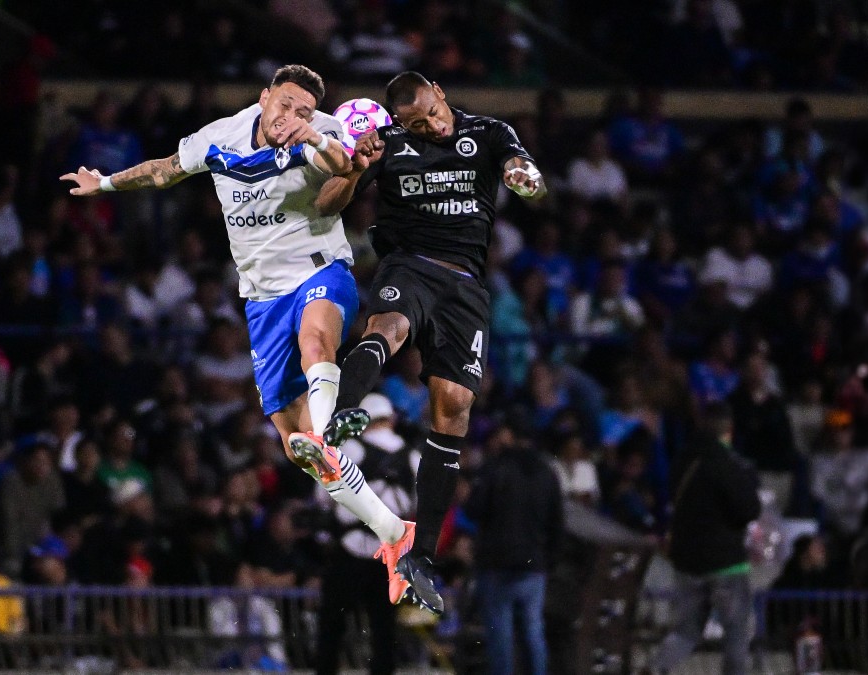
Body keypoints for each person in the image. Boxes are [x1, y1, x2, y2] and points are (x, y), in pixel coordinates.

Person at [61, 65, 416, 601]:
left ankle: (331, 423)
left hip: (320, 270)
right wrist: (105, 182)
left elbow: (337, 178)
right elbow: (164, 171)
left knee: (316, 342)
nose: (293, 117)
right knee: (295, 446)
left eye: (304, 111)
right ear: (265, 97)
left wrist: (333, 148)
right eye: (287, 106)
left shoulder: (323, 131)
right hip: (262, 298)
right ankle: (393, 532)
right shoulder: (221, 137)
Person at [315, 70, 546, 614]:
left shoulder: (488, 133)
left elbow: (522, 169)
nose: (430, 128)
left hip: (466, 286)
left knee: (456, 408)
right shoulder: (389, 143)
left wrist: (522, 174)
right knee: (388, 329)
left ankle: (418, 555)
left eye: (432, 114)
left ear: (441, 92)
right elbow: (327, 205)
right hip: (410, 266)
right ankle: (340, 418)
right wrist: (356, 167)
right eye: (415, 124)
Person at [652, 402, 761, 675]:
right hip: (726, 563)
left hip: (687, 562)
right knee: (736, 632)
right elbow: (749, 509)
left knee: (686, 632)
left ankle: (653, 669)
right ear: (729, 429)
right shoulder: (728, 463)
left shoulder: (683, 460)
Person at [316, 393, 417, 675]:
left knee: (332, 627)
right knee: (384, 633)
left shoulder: (349, 449)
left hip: (348, 552)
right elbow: (420, 504)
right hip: (389, 557)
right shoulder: (412, 456)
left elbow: (322, 497)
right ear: (391, 419)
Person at [465, 428, 563, 675]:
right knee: (532, 629)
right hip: (534, 564)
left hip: (496, 563)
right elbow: (557, 521)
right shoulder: (547, 472)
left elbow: (473, 509)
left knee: (501, 632)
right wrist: (549, 560)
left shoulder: (495, 468)